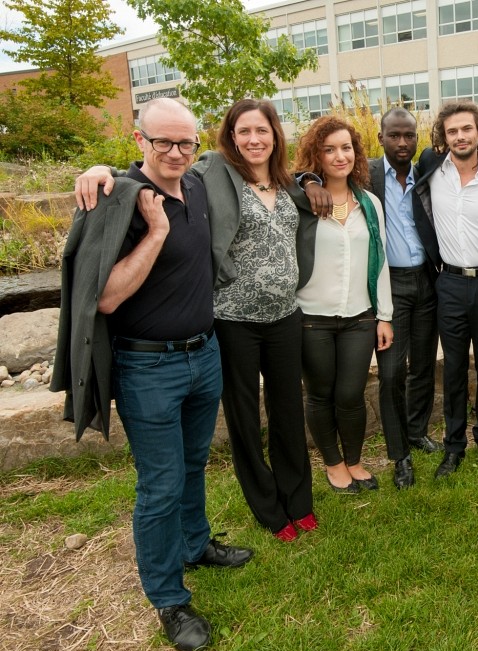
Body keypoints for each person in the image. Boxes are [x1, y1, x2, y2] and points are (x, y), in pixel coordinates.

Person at [54, 97, 253, 651]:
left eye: (185, 142)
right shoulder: (116, 201)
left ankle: (195, 544)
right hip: (149, 366)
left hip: (203, 354)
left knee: (192, 464)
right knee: (159, 485)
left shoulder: (199, 182)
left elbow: (261, 162)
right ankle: (168, 598)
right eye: (162, 141)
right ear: (137, 139)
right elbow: (108, 297)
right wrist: (156, 232)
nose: (175, 152)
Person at [74, 99, 322, 543]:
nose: (254, 140)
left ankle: (298, 500)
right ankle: (268, 508)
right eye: (244, 131)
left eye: (262, 131)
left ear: (275, 136)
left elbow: (308, 191)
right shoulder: (211, 173)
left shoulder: (289, 182)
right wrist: (101, 170)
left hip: (285, 315)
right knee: (245, 419)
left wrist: (311, 177)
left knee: (288, 412)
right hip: (232, 320)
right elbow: (156, 164)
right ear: (230, 136)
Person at [412, 101, 478, 478]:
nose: (460, 136)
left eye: (466, 129)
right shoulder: (429, 167)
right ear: (444, 136)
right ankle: (453, 445)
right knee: (453, 369)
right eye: (452, 131)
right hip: (449, 284)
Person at [294, 115, 392, 494]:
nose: (339, 156)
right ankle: (333, 464)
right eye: (329, 149)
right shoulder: (301, 200)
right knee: (320, 394)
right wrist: (306, 181)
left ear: (357, 152)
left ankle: (353, 460)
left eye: (346, 148)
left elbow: (379, 260)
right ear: (316, 155)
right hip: (311, 319)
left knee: (350, 394)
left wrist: (384, 315)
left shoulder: (369, 203)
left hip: (359, 318)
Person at [368, 108, 443, 488]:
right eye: (394, 135)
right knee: (392, 372)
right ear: (381, 137)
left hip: (427, 282)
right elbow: (309, 172)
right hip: (390, 285)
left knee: (424, 366)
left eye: (409, 136)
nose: (402, 143)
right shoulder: (365, 174)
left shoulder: (427, 173)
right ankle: (399, 455)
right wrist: (313, 179)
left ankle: (417, 432)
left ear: (418, 138)